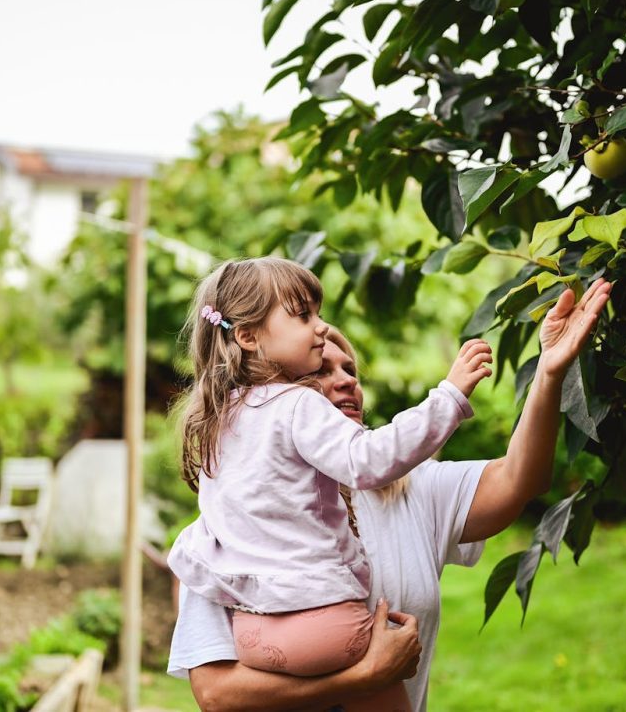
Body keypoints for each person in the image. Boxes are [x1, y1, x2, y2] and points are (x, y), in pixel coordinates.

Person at [168, 277, 613, 711]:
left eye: (351, 370)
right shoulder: (227, 529)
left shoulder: (410, 491)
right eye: (322, 369)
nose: (345, 380)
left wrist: (550, 372)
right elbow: (216, 694)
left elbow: (520, 480)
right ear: (279, 382)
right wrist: (367, 675)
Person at [166, 257, 493, 707]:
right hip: (323, 624)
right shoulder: (297, 404)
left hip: (253, 628)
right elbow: (369, 459)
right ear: (247, 336)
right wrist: (448, 397)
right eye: (303, 316)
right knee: (385, 686)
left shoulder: (221, 422)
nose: (320, 327)